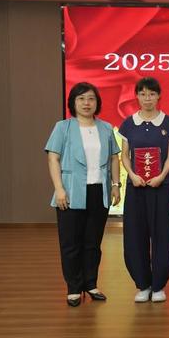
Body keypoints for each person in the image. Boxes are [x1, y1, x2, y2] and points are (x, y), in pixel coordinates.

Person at [45, 82, 121, 306]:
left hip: (99, 191)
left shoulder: (105, 128)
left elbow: (114, 157)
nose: (86, 103)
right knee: (71, 243)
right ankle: (74, 288)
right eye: (81, 99)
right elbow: (53, 158)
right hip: (71, 191)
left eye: (91, 99)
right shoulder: (63, 127)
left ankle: (91, 283)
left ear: (97, 103)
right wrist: (59, 188)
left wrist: (116, 184)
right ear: (73, 102)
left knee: (93, 242)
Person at [119, 77, 169, 303]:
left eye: (152, 94)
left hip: (161, 187)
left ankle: (159, 285)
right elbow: (125, 156)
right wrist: (132, 175)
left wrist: (161, 176)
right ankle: (143, 284)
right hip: (136, 187)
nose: (147, 98)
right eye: (143, 94)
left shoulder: (168, 123)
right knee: (135, 235)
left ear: (158, 96)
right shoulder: (128, 124)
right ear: (137, 96)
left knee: (162, 235)